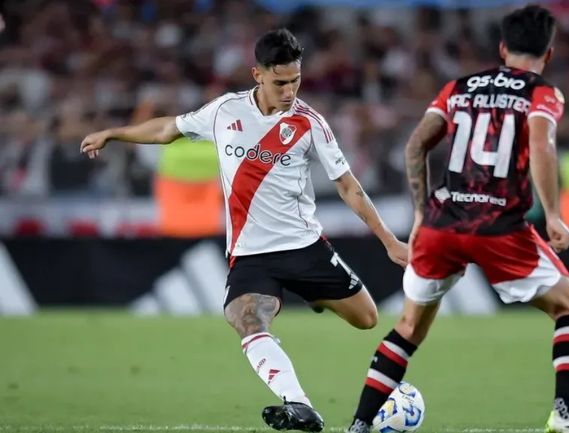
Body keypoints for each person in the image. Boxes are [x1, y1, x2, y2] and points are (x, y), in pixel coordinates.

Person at [81, 29, 408, 433]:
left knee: (367, 319)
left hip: (305, 247)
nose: (289, 91)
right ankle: (299, 404)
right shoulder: (225, 111)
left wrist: (389, 241)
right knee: (244, 317)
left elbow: (348, 185)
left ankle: (316, 297)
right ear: (258, 74)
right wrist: (113, 133)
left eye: (295, 80)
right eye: (280, 82)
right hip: (252, 254)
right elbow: (168, 130)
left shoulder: (310, 123)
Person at [345, 6, 569, 433]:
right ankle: (565, 415)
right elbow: (541, 145)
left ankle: (359, 424)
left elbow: (415, 146)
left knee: (408, 328)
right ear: (549, 54)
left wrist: (421, 213)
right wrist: (553, 214)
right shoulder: (542, 93)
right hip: (499, 227)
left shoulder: (459, 88)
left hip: (442, 224)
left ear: (502, 48)